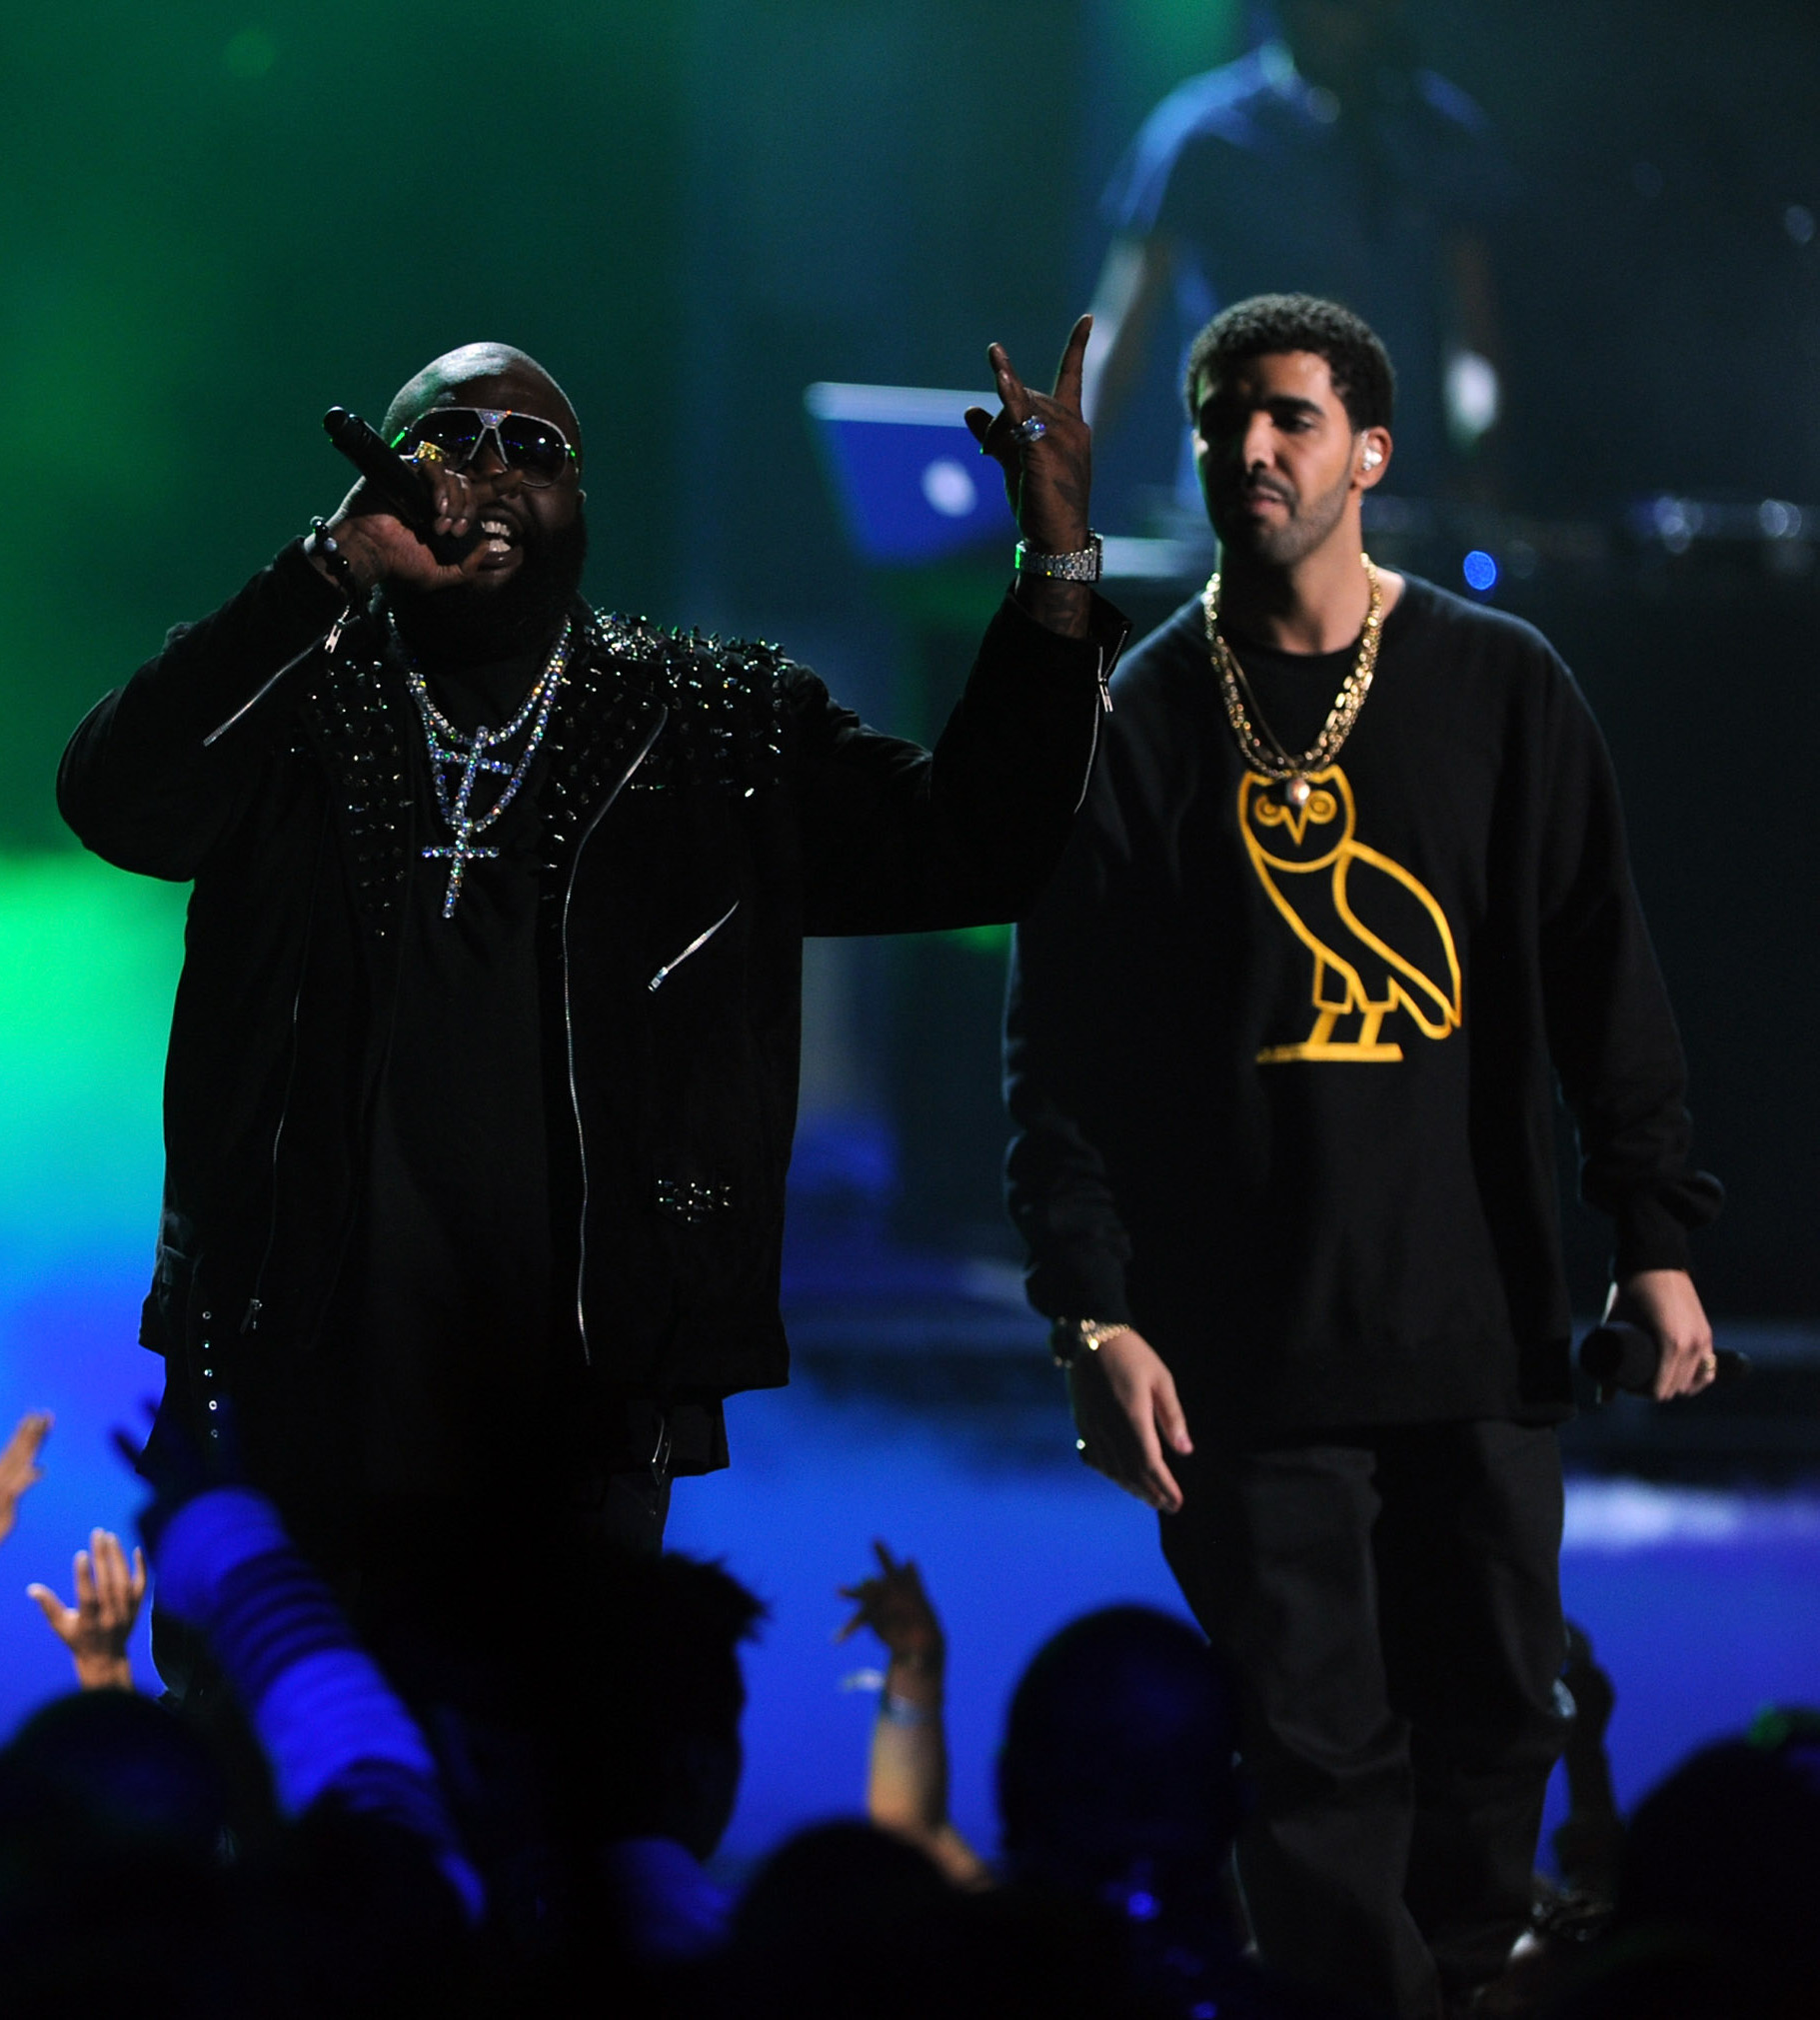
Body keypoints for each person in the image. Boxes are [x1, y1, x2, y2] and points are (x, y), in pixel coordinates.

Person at [58, 323, 1122, 1675]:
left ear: (580, 496)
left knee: (542, 1782)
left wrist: (1054, 569)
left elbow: (982, 845)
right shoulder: (293, 700)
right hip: (285, 1382)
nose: (491, 466)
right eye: (449, 437)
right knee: (281, 1778)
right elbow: (116, 800)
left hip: (568, 1412)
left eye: (535, 447)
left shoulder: (717, 728)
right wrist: (331, 566)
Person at [1004, 293, 1721, 2018]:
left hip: (1477, 1328)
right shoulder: (1139, 716)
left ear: (1370, 451)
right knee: (1316, 1770)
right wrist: (1091, 1313)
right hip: (1245, 1354)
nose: (1249, 448)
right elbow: (1060, 1053)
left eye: (1290, 417)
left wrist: (1654, 1233)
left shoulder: (1500, 684)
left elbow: (1601, 974)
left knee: (1497, 1731)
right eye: (1222, 419)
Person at [1083, 0, 1510, 524]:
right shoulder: (1204, 133)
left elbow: (1471, 337)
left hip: (1401, 500)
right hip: (1242, 495)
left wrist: (1480, 449)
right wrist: (1064, 472)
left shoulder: (1440, 134)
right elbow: (1119, 332)